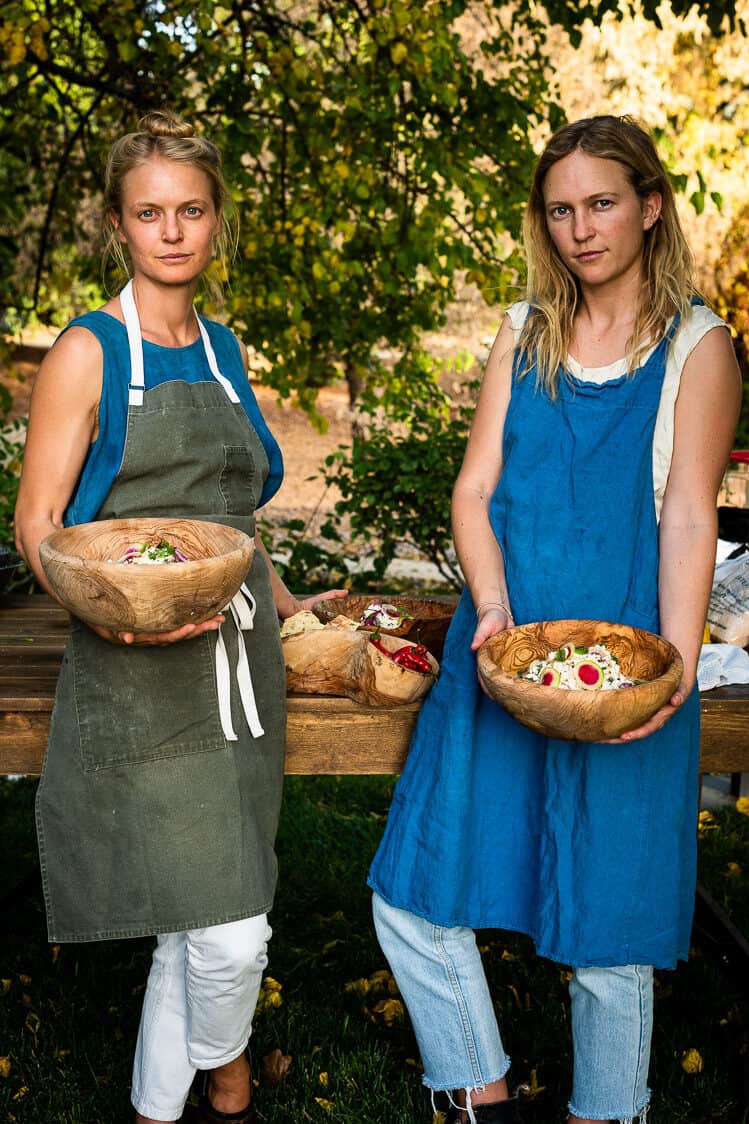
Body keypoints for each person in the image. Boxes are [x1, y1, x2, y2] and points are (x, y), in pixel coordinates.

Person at [367, 115, 742, 1124]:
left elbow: (690, 514)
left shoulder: (699, 346)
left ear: (651, 205)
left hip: (624, 655)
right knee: (412, 890)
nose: (580, 228)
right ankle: (481, 1095)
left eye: (603, 202)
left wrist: (665, 666)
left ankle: (604, 1111)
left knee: (609, 928)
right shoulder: (524, 329)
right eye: (561, 208)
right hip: (504, 650)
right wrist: (491, 606)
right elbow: (473, 490)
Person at [14, 109, 345, 1124]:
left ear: (216, 221)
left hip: (235, 654)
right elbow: (37, 525)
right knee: (231, 926)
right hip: (136, 657)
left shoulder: (225, 346)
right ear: (120, 224)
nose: (172, 231)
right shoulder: (88, 349)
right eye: (150, 212)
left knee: (195, 914)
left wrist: (288, 603)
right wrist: (108, 614)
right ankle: (232, 1082)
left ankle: (160, 1109)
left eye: (191, 210)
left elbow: (230, 515)